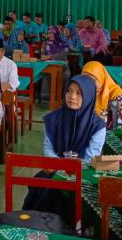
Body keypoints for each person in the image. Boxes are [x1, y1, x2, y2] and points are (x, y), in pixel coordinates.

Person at [22, 76, 107, 217]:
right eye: (69, 91)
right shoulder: (53, 118)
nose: (72, 97)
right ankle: (39, 227)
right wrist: (59, 165)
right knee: (42, 186)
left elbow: (91, 159)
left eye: (79, 93)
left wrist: (66, 167)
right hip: (55, 169)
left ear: (89, 96)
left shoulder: (97, 126)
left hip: (83, 173)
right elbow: (48, 148)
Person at [81, 61, 122, 128]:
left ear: (101, 78)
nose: (88, 83)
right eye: (85, 79)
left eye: (93, 80)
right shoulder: (80, 92)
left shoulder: (116, 94)